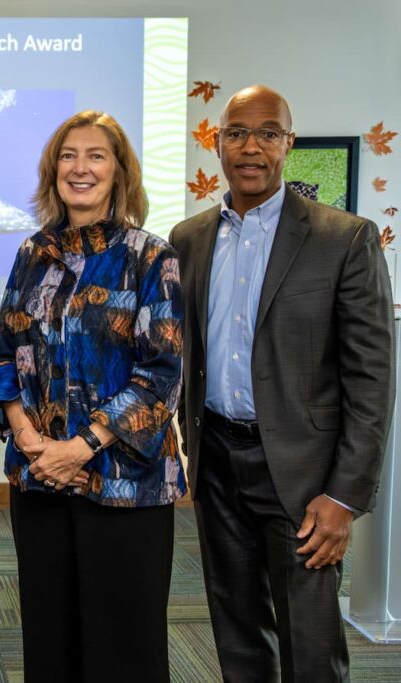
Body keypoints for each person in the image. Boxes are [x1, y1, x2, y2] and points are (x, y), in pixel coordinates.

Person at [170, 85, 394, 682]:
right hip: (216, 461)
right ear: (218, 144)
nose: (252, 146)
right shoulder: (187, 239)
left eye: (268, 133)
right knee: (237, 631)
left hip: (305, 477)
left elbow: (372, 380)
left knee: (312, 646)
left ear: (287, 145)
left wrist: (344, 496)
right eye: (238, 133)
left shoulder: (343, 238)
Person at [0, 110, 185, 682]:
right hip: (41, 479)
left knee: (123, 654)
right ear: (53, 172)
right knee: (50, 648)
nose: (81, 167)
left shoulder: (151, 257)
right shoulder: (31, 253)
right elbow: (3, 355)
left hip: (126, 487)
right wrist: (28, 440)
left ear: (120, 172)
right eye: (68, 156)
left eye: (96, 155)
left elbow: (160, 376)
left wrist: (81, 447)